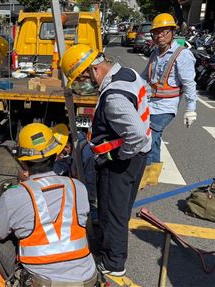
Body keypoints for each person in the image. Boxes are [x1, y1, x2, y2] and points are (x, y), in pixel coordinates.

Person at [61, 44, 151, 277]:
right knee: (119, 209)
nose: (84, 84)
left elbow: (137, 134)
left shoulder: (114, 97)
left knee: (113, 212)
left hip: (121, 161)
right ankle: (112, 247)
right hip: (136, 158)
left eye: (82, 78)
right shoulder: (127, 74)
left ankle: (113, 263)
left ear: (93, 70)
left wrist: (121, 156)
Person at [0, 123, 99, 287]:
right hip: (88, 280)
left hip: (42, 283)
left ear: (23, 162)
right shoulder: (78, 187)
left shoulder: (14, 195)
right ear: (55, 155)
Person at [140, 13, 197, 185]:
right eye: (156, 33)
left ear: (172, 32)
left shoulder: (182, 54)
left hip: (167, 106)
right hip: (151, 103)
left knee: (152, 134)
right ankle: (151, 172)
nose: (159, 36)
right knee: (148, 135)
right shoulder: (155, 53)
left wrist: (191, 109)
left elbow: (189, 83)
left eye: (164, 32)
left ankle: (150, 174)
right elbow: (144, 77)